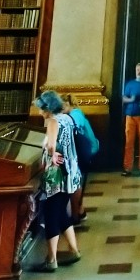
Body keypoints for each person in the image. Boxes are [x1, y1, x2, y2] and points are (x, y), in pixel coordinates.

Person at [31, 89, 81, 272]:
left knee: (51, 213)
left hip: (57, 176)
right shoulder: (67, 118)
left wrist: (52, 155)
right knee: (60, 212)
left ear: (48, 108)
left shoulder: (52, 121)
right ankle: (74, 250)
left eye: (41, 108)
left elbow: (52, 145)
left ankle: (51, 259)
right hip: (70, 173)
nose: (39, 112)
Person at [61, 93, 99, 226]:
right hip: (83, 150)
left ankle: (76, 214)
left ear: (67, 104)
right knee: (75, 179)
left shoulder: (75, 114)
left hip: (84, 151)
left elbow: (72, 128)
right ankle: (79, 211)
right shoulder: (74, 113)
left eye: (62, 107)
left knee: (74, 180)